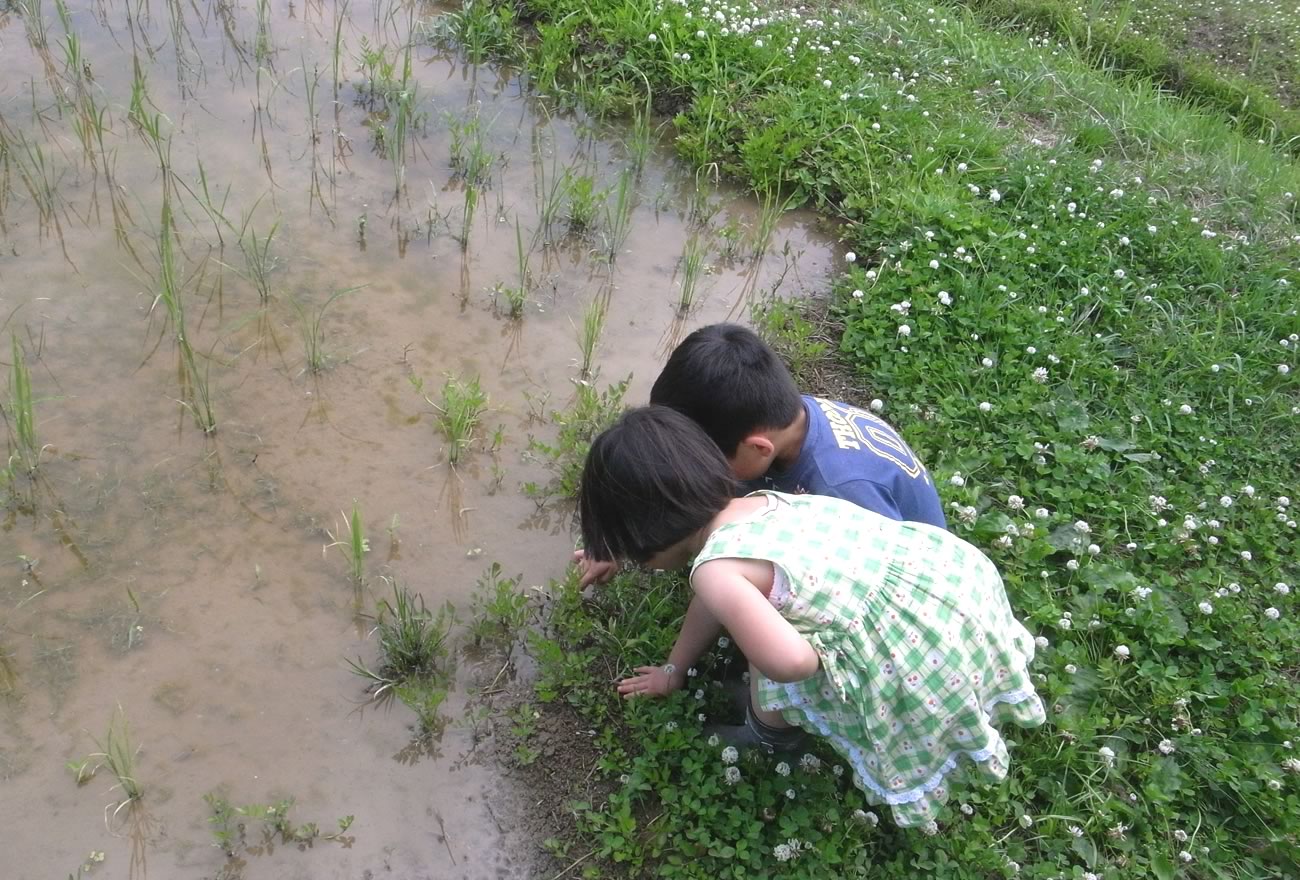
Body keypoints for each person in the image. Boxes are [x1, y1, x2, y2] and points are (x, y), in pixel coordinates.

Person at [578, 406, 1046, 829]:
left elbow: (795, 665)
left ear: (646, 535)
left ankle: (769, 738)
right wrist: (672, 669)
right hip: (947, 587)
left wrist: (784, 651)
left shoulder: (716, 572)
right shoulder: (764, 501)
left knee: (766, 664)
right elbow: (714, 602)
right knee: (763, 628)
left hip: (912, 655)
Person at [575, 323, 944, 588]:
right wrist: (624, 538)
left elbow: (883, 585)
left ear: (757, 448)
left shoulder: (840, 488)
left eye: (704, 458)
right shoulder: (777, 416)